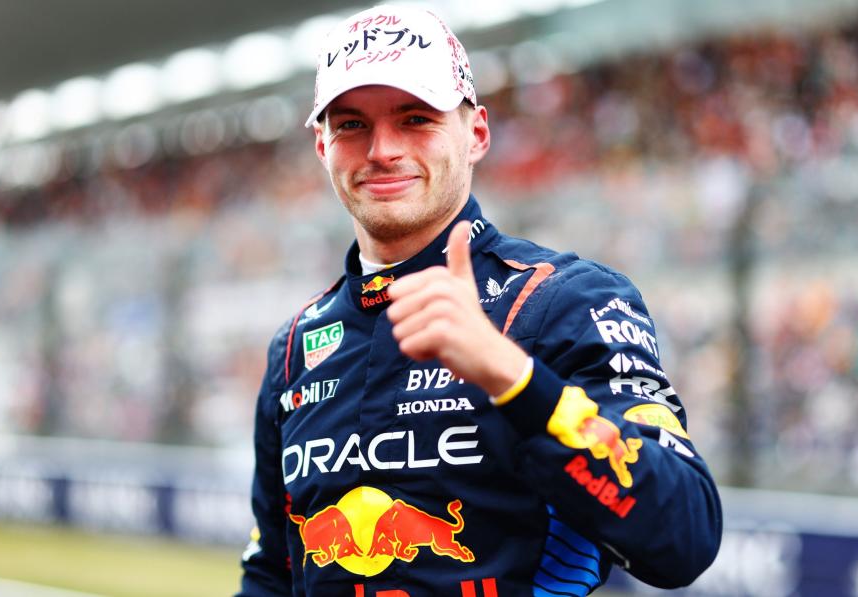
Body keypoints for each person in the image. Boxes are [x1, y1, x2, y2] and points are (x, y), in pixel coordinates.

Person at [238, 5, 721, 596]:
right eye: (351, 125)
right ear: (322, 146)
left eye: (415, 118)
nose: (382, 149)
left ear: (477, 135)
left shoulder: (566, 300)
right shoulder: (293, 348)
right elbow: (271, 574)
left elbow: (686, 536)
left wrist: (512, 377)